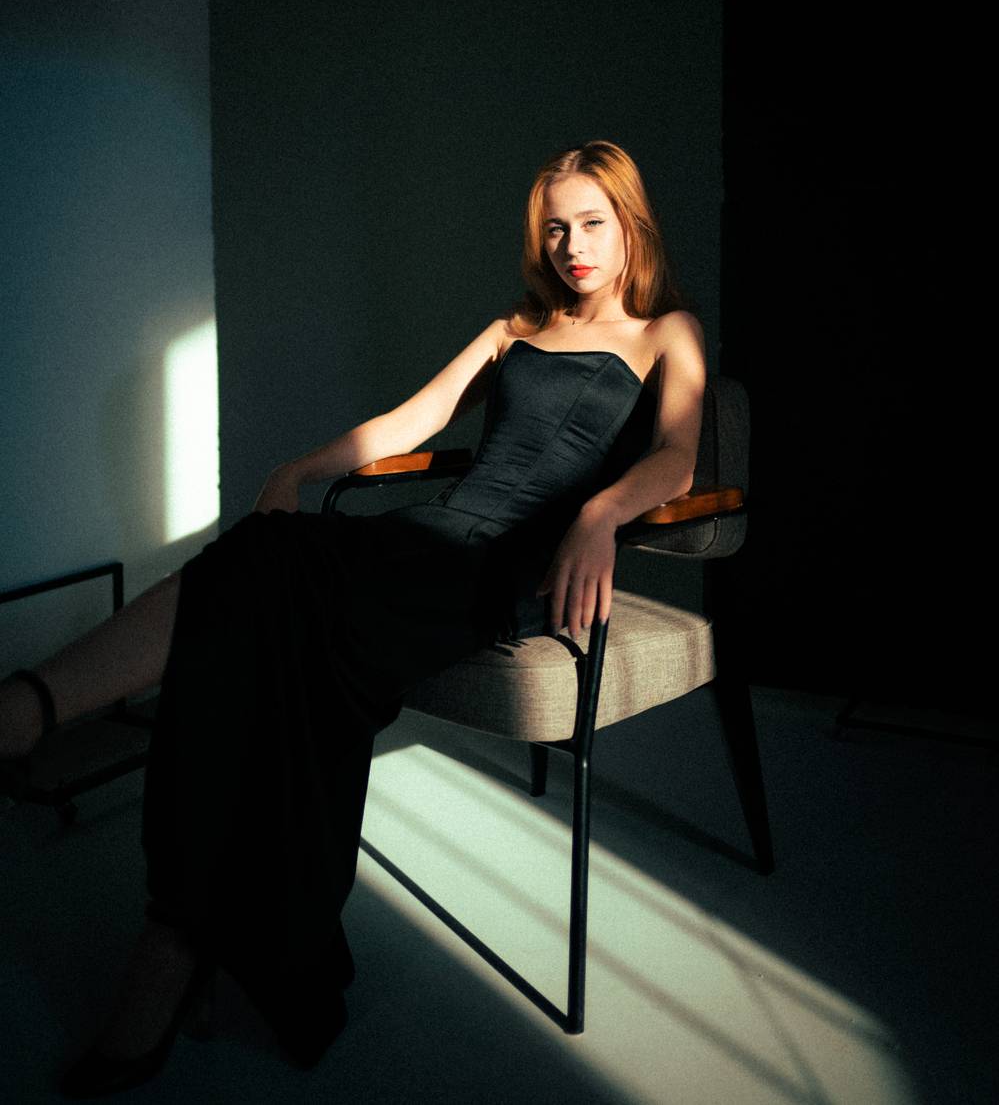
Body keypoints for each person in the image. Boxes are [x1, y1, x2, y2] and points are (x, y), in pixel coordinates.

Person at [0, 140, 706, 1095]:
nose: (572, 246)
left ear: (629, 226)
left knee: (254, 587)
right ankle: (163, 924)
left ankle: (48, 741)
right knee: (258, 587)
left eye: (591, 224)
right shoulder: (513, 330)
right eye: (554, 228)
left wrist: (598, 514)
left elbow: (676, 458)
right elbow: (414, 420)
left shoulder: (665, 333)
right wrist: (299, 468)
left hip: (486, 574)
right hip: (419, 538)